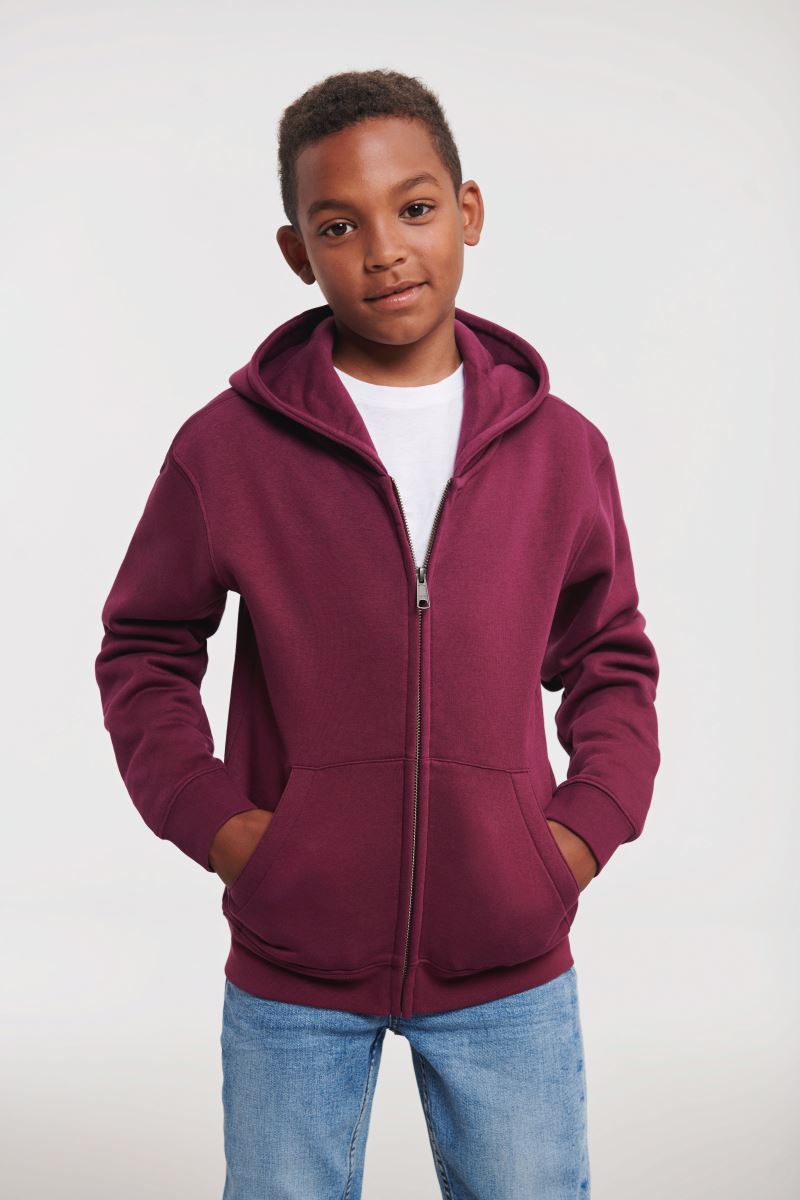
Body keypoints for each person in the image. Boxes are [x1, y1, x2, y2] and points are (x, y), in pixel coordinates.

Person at [95, 67, 660, 1199]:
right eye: (339, 225)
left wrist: (578, 834)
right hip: (295, 959)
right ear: (296, 251)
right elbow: (145, 649)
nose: (385, 250)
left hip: (508, 954)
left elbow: (608, 657)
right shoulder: (227, 449)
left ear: (468, 211)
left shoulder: (560, 448)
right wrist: (223, 828)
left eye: (414, 208)